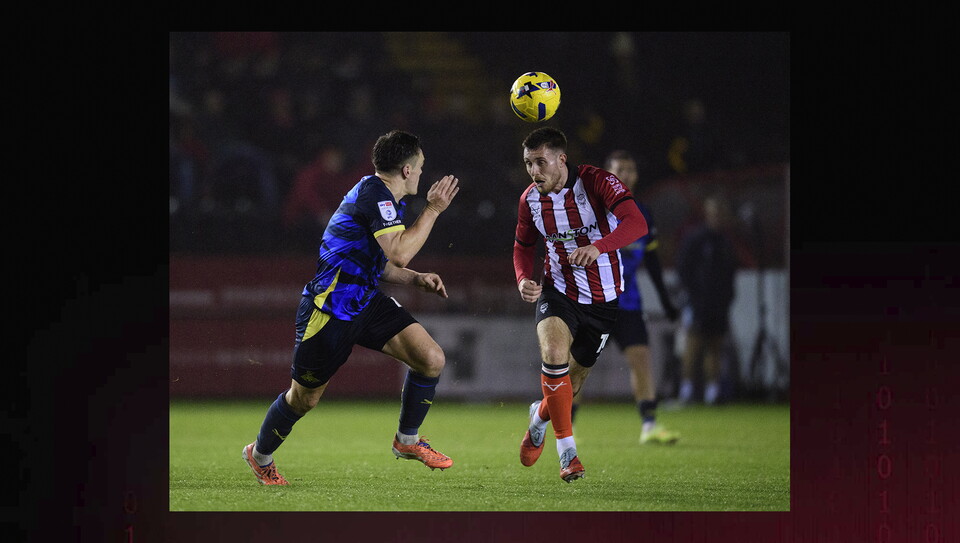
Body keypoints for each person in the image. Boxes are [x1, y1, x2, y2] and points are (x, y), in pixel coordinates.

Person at [242, 130, 461, 485]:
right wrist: (434, 209)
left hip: (365, 299)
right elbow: (400, 252)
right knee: (304, 399)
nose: (422, 173)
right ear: (407, 170)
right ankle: (259, 454)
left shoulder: (383, 198)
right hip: (330, 309)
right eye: (420, 166)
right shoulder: (376, 194)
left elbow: (381, 262)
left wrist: (415, 279)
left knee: (430, 358)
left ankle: (406, 440)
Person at [514, 127, 649, 482]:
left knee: (569, 385)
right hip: (557, 291)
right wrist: (523, 278)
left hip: (604, 299)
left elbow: (637, 223)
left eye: (540, 162)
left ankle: (539, 416)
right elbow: (523, 245)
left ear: (562, 159)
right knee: (554, 354)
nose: (533, 171)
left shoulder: (596, 182)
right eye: (528, 163)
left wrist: (599, 246)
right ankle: (568, 453)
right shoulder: (530, 200)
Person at [571, 150, 681, 445]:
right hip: (593, 299)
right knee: (578, 366)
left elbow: (653, 261)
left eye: (631, 170)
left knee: (641, 359)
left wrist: (666, 301)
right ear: (607, 173)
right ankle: (565, 427)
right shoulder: (588, 209)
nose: (627, 176)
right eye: (620, 169)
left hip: (628, 301)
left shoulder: (641, 214)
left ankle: (650, 424)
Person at [675, 194, 739, 405]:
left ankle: (713, 393)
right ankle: (686, 392)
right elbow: (684, 269)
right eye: (714, 213)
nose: (717, 217)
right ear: (707, 214)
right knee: (692, 347)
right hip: (696, 303)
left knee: (715, 347)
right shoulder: (696, 239)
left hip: (718, 304)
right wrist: (692, 297)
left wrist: (728, 297)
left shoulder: (726, 242)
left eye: (721, 213)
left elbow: (730, 273)